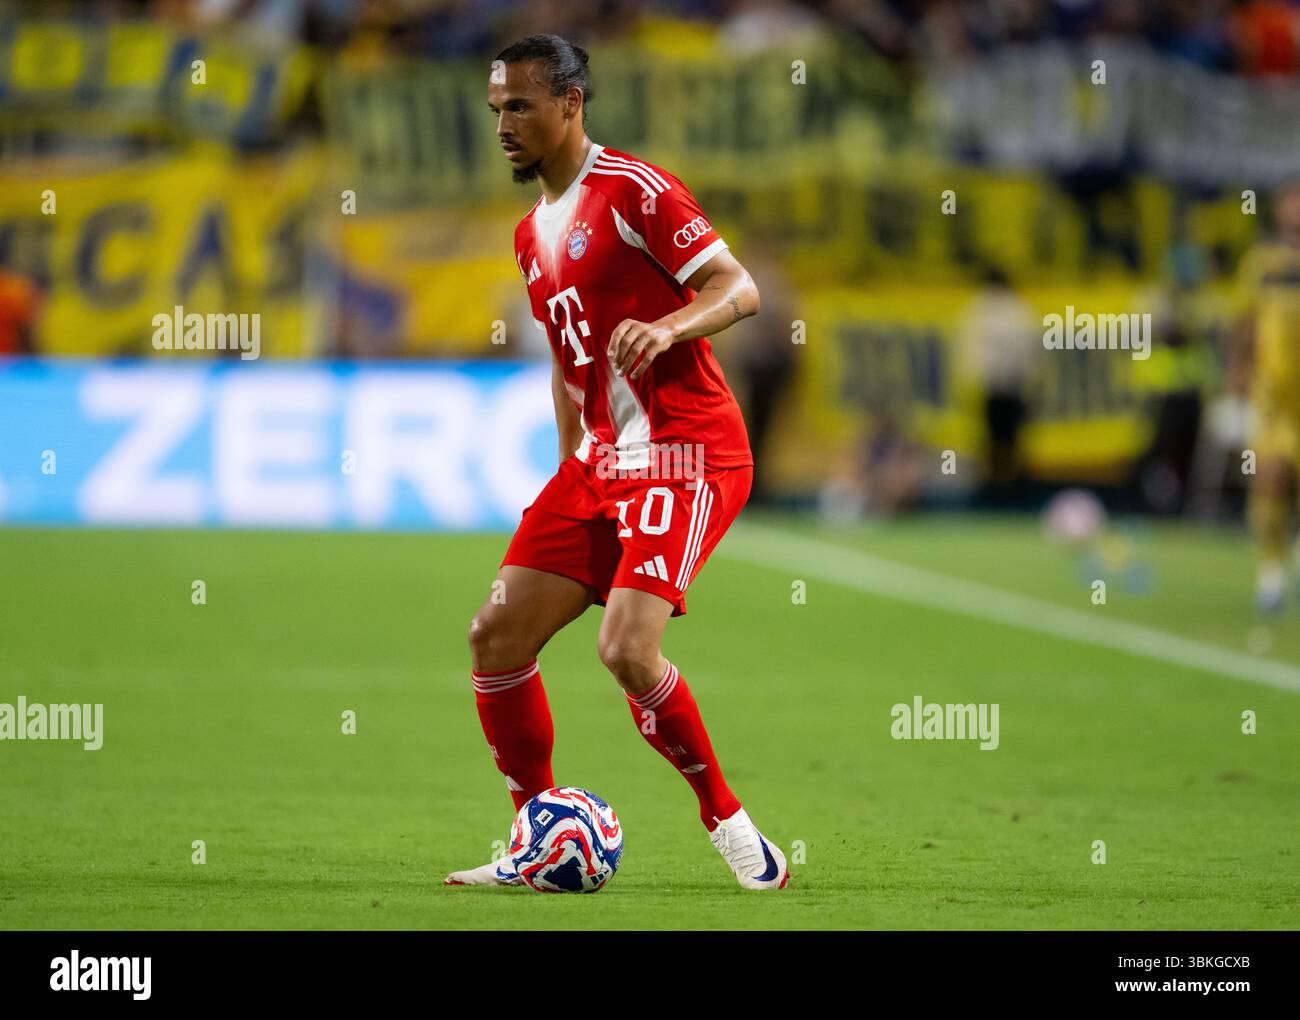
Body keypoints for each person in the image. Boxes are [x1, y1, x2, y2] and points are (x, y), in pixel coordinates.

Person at [443, 35, 788, 890]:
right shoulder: (531, 235)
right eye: (497, 110)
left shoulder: (635, 191)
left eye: (520, 106)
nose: (506, 127)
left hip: (687, 452)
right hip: (598, 467)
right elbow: (572, 368)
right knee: (495, 636)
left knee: (626, 650)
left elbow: (739, 287)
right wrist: (567, 475)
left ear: (571, 102)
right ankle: (533, 836)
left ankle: (735, 828)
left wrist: (668, 326)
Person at [1231, 175, 1300, 611]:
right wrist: (1236, 370)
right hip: (1274, 398)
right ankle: (1272, 570)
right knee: (1269, 478)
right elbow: (1245, 322)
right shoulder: (1262, 263)